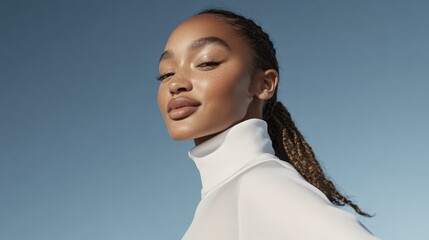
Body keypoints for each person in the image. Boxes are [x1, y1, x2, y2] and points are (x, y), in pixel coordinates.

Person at [157, 8, 379, 240]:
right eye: (166, 73)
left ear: (264, 84)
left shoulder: (258, 184)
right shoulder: (229, 193)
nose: (176, 83)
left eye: (206, 62)